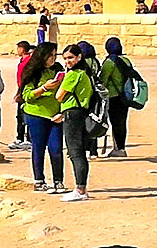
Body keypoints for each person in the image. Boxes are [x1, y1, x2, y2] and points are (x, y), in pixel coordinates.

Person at [45, 43, 96, 201]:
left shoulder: (74, 74)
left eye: (71, 58)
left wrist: (61, 80)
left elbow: (59, 96)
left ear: (79, 57)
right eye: (65, 58)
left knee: (75, 152)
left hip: (73, 115)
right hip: (79, 112)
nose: (67, 61)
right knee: (78, 152)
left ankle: (80, 190)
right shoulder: (86, 73)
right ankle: (81, 188)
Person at [18, 40, 63, 191]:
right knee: (39, 148)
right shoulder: (33, 72)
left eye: (55, 55)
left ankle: (58, 181)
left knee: (56, 149)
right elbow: (27, 95)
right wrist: (44, 88)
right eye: (50, 55)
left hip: (55, 115)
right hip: (36, 114)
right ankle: (39, 180)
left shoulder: (58, 70)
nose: (53, 59)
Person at [98, 37, 142, 157]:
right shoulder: (126, 60)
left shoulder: (109, 62)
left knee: (114, 122)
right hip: (125, 95)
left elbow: (103, 80)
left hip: (113, 96)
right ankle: (121, 147)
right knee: (122, 122)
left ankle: (118, 149)